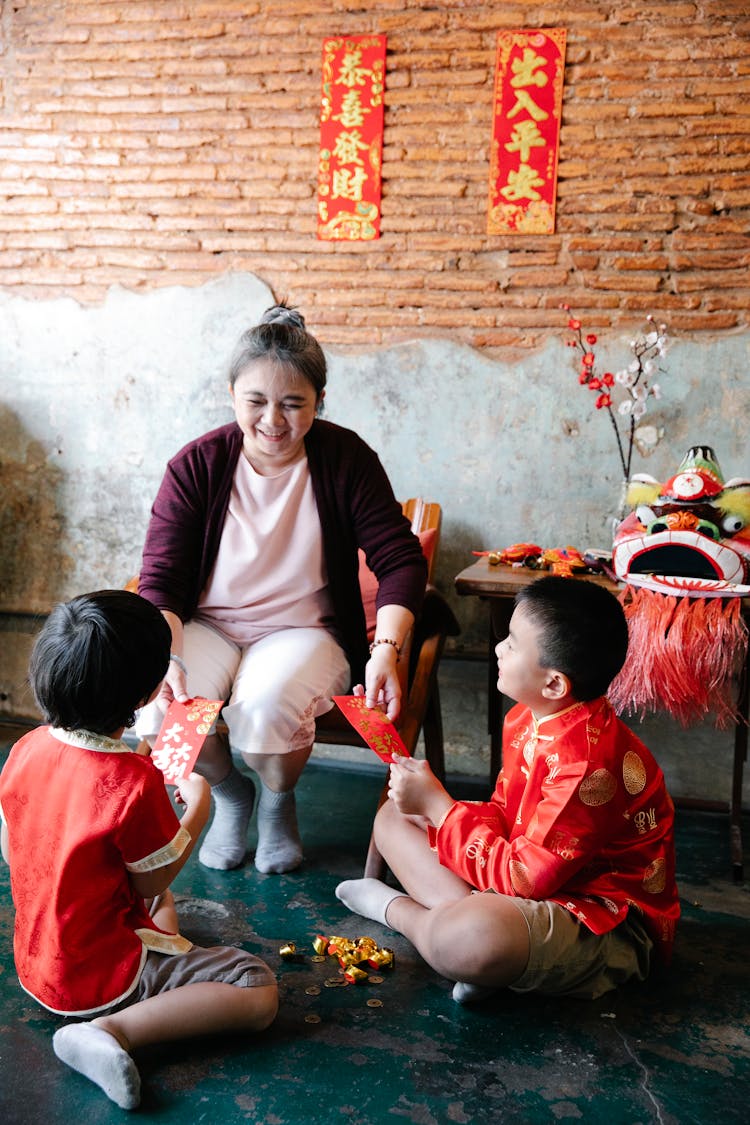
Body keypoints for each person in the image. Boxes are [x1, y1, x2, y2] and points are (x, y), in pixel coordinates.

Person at [134, 302, 427, 875]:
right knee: (161, 714)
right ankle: (230, 794)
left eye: (294, 404)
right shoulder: (196, 465)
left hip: (304, 629)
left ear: (320, 401)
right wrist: (166, 655)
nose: (274, 420)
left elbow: (400, 558)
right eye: (257, 402)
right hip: (208, 625)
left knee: (266, 709)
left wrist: (387, 651)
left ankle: (275, 803)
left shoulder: (345, 458)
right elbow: (161, 580)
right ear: (231, 395)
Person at [336, 575, 681, 1004]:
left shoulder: (587, 764)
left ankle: (401, 915)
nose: (499, 647)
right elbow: (506, 815)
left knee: (472, 937)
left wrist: (442, 809)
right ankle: (490, 950)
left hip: (601, 918)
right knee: (395, 814)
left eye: (513, 643)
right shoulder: (527, 716)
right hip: (526, 883)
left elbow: (525, 880)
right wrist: (424, 799)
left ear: (554, 683)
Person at [0, 590, 278, 1110]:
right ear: (150, 692)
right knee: (255, 987)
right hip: (99, 979)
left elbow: (16, 853)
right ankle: (110, 1031)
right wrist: (197, 807)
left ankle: (122, 994)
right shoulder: (134, 780)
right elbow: (153, 880)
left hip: (37, 959)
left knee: (160, 913)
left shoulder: (25, 748)